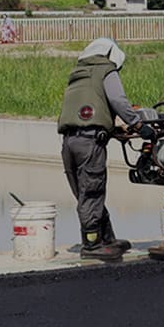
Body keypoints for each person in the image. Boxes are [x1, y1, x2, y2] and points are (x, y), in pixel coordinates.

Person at [58, 37, 148, 261]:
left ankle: (106, 238)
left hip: (69, 142)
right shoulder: (106, 70)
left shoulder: (77, 75)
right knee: (93, 190)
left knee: (84, 192)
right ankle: (92, 245)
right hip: (90, 142)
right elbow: (118, 101)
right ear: (112, 55)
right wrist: (138, 125)